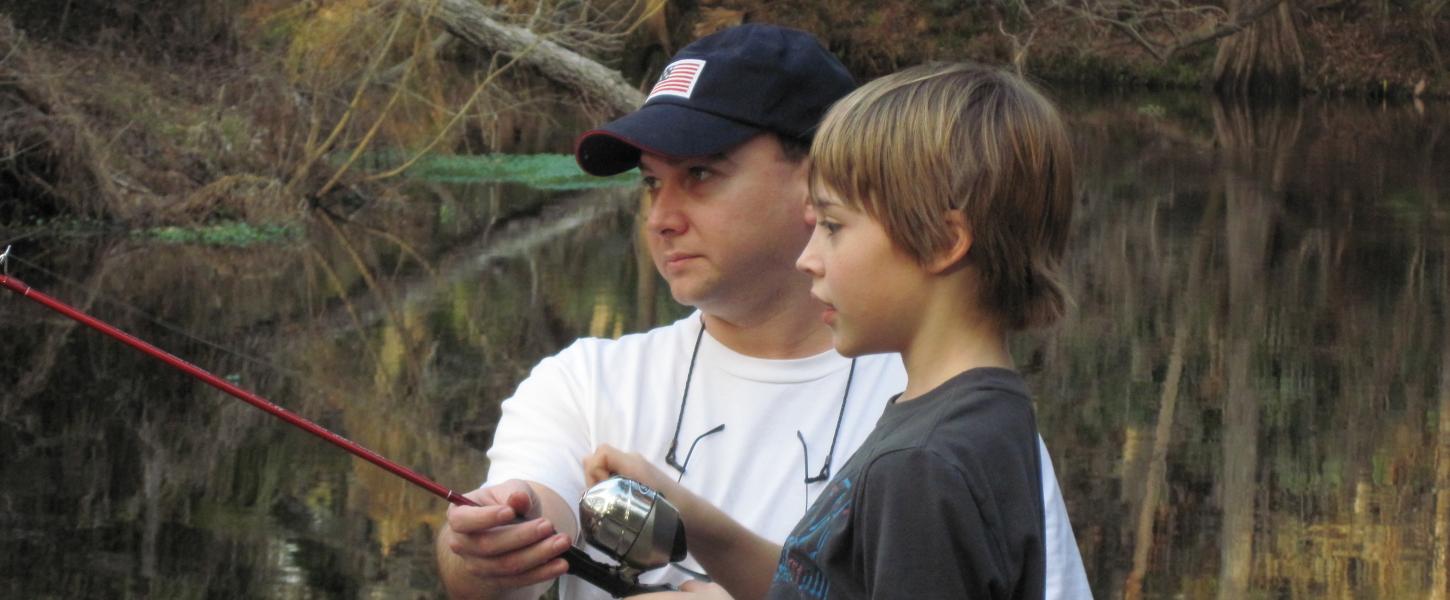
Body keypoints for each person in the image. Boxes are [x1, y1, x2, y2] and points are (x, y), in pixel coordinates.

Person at [435, 25, 1090, 600]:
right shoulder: (581, 380)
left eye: (700, 173)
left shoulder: (930, 451)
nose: (661, 218)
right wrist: (499, 540)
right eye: (651, 183)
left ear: (815, 173)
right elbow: (818, 585)